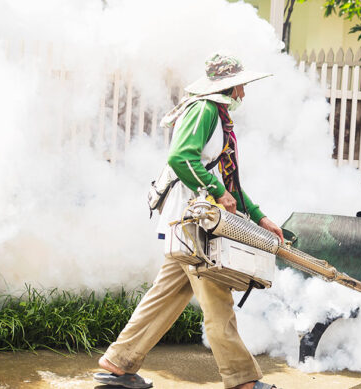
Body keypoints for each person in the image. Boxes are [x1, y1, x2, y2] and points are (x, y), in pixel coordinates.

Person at [93, 54, 283, 389]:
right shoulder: (205, 110)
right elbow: (181, 158)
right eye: (241, 85)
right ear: (228, 85)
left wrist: (259, 216)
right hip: (194, 221)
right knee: (217, 298)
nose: (243, 93)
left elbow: (228, 179)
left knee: (166, 294)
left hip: (194, 221)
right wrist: (216, 191)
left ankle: (118, 362)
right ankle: (243, 381)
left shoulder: (215, 114)